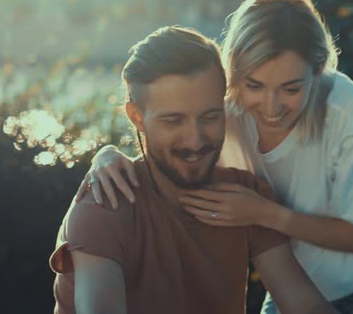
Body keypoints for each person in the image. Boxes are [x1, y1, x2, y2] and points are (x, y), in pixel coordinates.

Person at [76, 0, 353, 314]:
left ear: (318, 71)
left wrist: (264, 213)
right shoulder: (224, 111)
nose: (271, 106)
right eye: (254, 85)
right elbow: (172, 138)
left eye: (291, 88)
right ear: (235, 75)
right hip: (296, 281)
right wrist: (107, 154)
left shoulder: (348, 109)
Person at [50, 26, 338, 314]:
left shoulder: (245, 199)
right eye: (173, 121)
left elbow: (305, 305)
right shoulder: (104, 206)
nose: (195, 140)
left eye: (209, 117)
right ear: (137, 117)